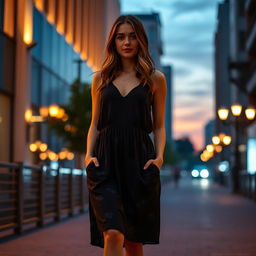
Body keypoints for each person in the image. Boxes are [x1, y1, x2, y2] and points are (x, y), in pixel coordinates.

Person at [85, 14, 167, 256]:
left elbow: (159, 126)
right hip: (105, 162)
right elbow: (94, 124)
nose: (127, 42)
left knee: (134, 241)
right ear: (114, 42)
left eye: (132, 36)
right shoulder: (101, 78)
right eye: (120, 37)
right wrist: (88, 156)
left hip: (140, 162)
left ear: (141, 40)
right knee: (112, 233)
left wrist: (159, 159)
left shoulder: (155, 78)